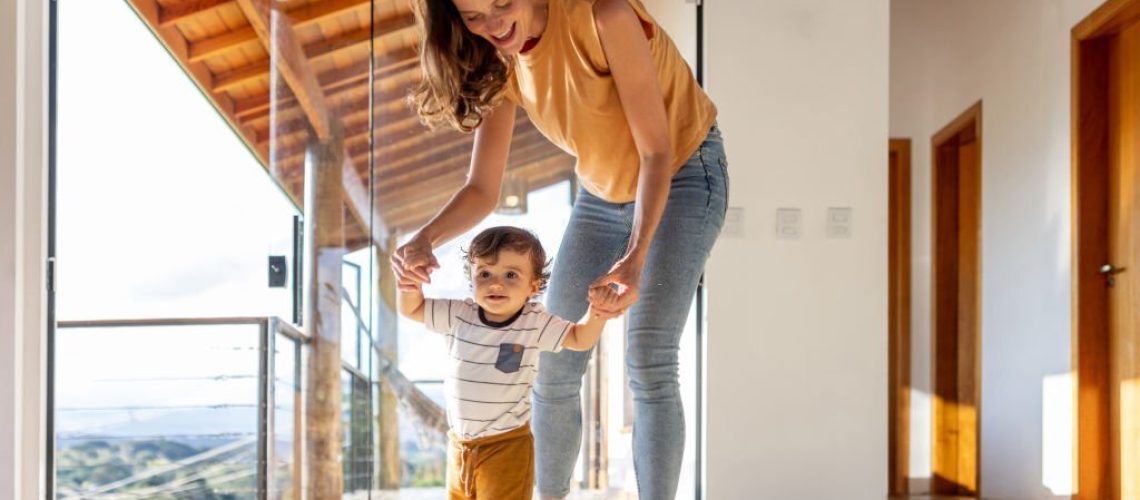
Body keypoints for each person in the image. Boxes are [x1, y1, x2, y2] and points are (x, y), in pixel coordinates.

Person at [393, 0, 728, 497]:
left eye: (501, 4)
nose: (492, 24)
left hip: (681, 173)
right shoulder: (499, 61)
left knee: (649, 357)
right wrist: (423, 239)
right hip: (601, 191)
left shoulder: (603, 16)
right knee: (550, 359)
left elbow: (655, 152)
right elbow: (483, 188)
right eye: (473, 16)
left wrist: (635, 257)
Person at [396, 226, 618, 500]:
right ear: (472, 279)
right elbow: (412, 308)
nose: (496, 283)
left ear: (533, 286)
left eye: (511, 275)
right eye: (485, 274)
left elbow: (578, 338)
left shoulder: (534, 322)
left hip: (506, 446)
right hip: (460, 447)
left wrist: (597, 313)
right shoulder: (459, 314)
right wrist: (409, 285)